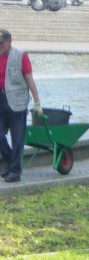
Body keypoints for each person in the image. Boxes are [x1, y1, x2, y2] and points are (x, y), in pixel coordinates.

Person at [0, 29, 43, 183]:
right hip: (1, 100)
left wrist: (37, 103)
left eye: (1, 43)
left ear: (9, 41)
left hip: (17, 102)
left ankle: (14, 172)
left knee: (17, 138)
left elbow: (30, 79)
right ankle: (11, 162)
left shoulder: (21, 55)